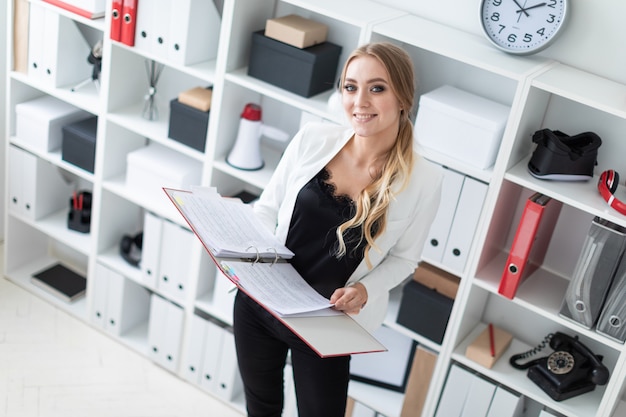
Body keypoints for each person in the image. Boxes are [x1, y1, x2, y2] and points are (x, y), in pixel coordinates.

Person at [233, 41, 443, 417]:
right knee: (260, 408)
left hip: (326, 325)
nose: (360, 101)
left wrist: (365, 289)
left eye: (377, 88)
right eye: (351, 87)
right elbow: (266, 209)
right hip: (262, 304)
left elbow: (405, 260)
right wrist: (252, 254)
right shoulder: (313, 138)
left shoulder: (424, 179)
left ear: (403, 98)